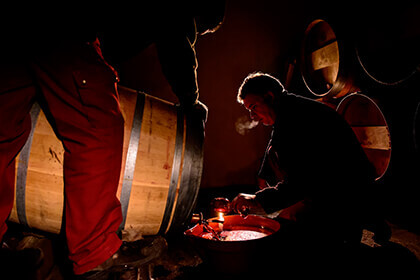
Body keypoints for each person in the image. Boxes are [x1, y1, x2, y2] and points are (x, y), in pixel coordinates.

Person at [0, 4, 225, 279]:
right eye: (199, 30)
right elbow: (176, 38)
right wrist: (190, 101)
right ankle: (94, 252)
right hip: (65, 32)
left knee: (4, 132)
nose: (195, 33)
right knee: (97, 123)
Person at [231, 72, 389, 260]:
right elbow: (276, 145)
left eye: (254, 107)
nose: (252, 115)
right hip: (330, 187)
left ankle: (362, 220)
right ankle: (367, 217)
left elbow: (302, 182)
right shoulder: (289, 111)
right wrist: (264, 175)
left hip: (343, 195)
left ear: (269, 97)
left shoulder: (300, 119)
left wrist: (258, 200)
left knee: (290, 242)